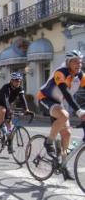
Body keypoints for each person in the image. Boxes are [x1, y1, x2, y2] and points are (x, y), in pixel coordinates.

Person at [37, 49, 85, 180]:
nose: (79, 65)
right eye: (75, 62)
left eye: (80, 62)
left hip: (59, 103)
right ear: (68, 62)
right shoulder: (60, 72)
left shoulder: (80, 75)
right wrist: (79, 111)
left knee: (67, 134)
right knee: (64, 115)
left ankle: (63, 165)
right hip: (45, 98)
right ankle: (49, 142)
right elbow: (67, 94)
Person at [0, 72, 30, 153]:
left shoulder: (20, 88)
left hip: (7, 104)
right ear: (12, 81)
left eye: (20, 81)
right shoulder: (6, 87)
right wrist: (9, 110)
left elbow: (23, 99)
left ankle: (10, 146)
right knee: (3, 111)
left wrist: (26, 109)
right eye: (16, 80)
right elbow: (5, 100)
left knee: (9, 127)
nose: (18, 82)